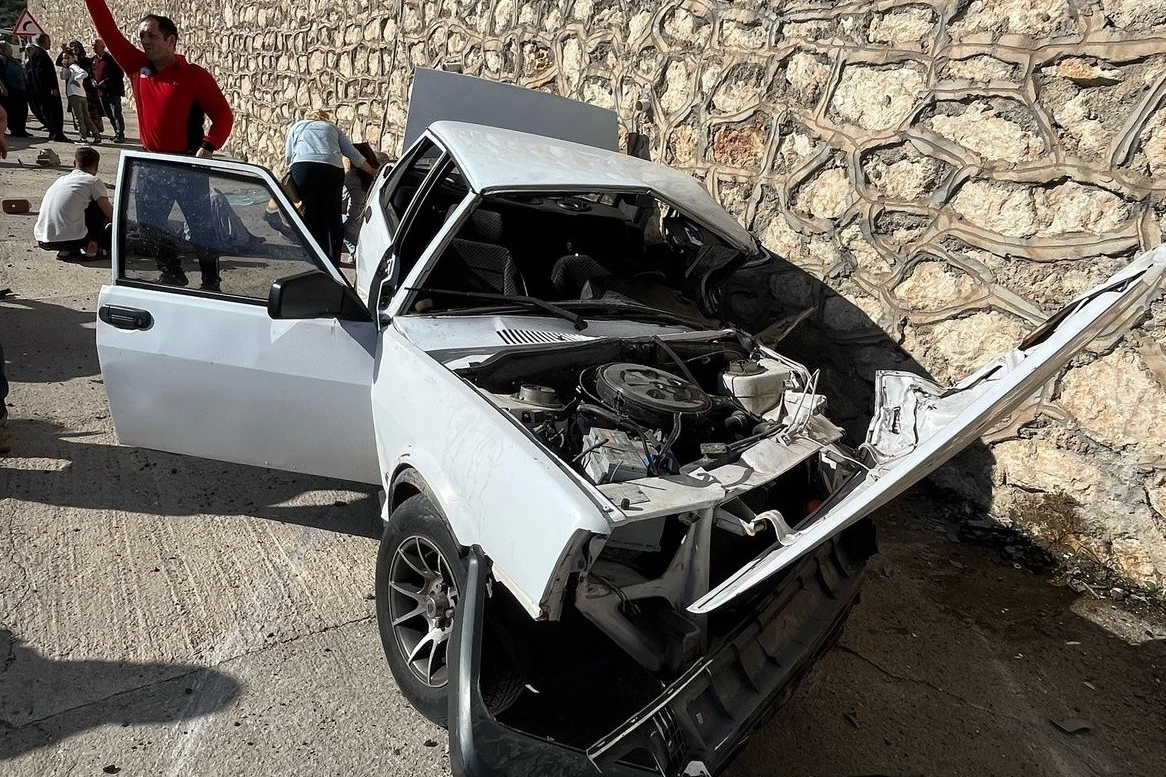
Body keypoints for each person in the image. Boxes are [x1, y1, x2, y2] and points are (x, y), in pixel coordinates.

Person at [84, 1, 235, 290]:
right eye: (142, 35)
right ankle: (171, 272)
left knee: (201, 226)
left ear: (171, 40)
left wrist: (208, 146)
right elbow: (108, 30)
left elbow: (223, 116)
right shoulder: (137, 67)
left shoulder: (193, 75)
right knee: (149, 224)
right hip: (151, 163)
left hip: (187, 163)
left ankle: (210, 280)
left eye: (152, 35)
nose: (145, 40)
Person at [285, 110, 376, 265]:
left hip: (303, 168)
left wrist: (290, 172)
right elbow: (353, 154)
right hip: (331, 169)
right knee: (332, 215)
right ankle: (333, 260)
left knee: (310, 213)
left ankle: (314, 256)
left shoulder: (297, 126)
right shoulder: (332, 128)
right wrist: (372, 171)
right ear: (325, 119)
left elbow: (289, 155)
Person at [33, 146, 113, 261]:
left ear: (74, 163)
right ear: (96, 166)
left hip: (43, 239)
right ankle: (92, 248)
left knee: (75, 206)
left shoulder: (61, 180)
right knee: (98, 206)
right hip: (72, 240)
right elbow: (109, 212)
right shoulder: (92, 181)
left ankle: (67, 252)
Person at [23, 33, 69, 142]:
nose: (50, 43)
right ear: (43, 42)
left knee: (49, 112)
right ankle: (56, 133)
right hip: (46, 91)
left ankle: (55, 132)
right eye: (49, 41)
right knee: (52, 112)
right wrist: (52, 87)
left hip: (41, 90)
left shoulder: (36, 53)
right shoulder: (39, 54)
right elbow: (42, 73)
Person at [59, 50, 101, 143]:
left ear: (73, 58)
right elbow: (63, 76)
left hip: (75, 94)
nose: (66, 60)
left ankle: (83, 137)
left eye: (68, 58)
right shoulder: (70, 68)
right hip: (80, 94)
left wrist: (75, 79)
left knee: (79, 117)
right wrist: (64, 67)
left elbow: (84, 73)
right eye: (64, 58)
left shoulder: (74, 66)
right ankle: (96, 135)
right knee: (86, 117)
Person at [90, 38, 125, 143]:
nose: (93, 48)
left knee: (116, 113)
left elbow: (119, 73)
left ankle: (120, 134)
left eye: (95, 46)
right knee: (108, 114)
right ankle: (116, 132)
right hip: (101, 92)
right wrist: (93, 80)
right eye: (93, 46)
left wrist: (106, 81)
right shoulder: (94, 60)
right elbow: (91, 73)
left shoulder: (110, 59)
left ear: (102, 47)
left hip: (112, 91)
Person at [0, 42, 30, 138]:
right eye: (9, 48)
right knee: (13, 111)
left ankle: (21, 129)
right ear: (3, 50)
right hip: (10, 89)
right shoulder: (2, 59)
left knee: (23, 110)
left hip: (20, 88)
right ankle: (15, 130)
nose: (11, 49)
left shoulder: (12, 59)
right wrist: (3, 88)